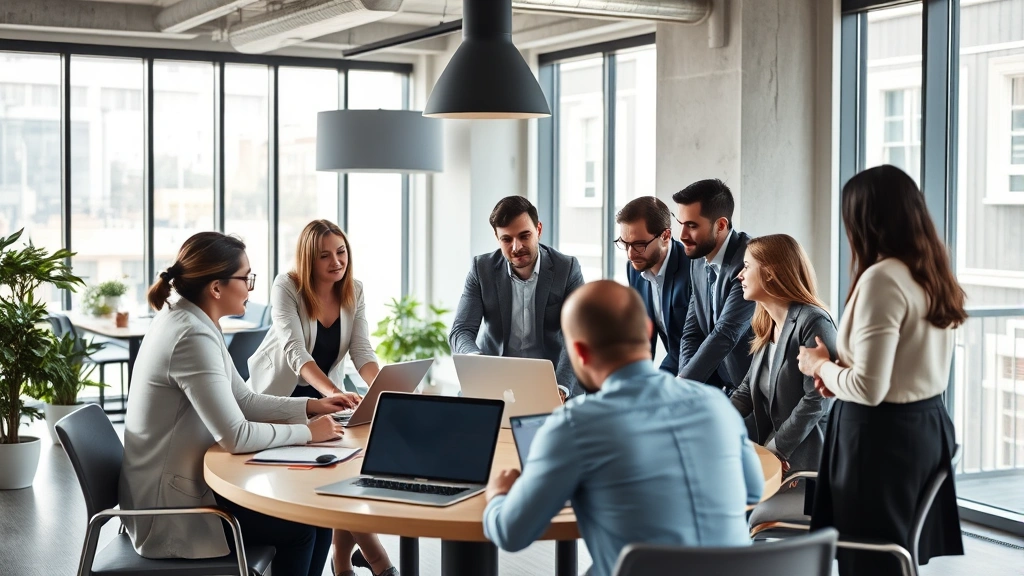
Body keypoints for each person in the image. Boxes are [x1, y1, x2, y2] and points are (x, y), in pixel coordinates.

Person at [482, 280, 763, 576]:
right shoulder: (716, 403)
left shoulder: (575, 425)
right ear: (647, 329)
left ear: (580, 352)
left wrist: (499, 495)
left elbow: (511, 533)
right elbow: (752, 490)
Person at [119, 232, 354, 576]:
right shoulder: (192, 336)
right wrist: (307, 434)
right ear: (216, 287)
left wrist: (312, 407)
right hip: (172, 509)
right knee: (303, 528)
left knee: (314, 521)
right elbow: (236, 436)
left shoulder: (192, 319)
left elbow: (243, 399)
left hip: (179, 486)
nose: (250, 287)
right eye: (246, 278)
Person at [797, 165, 965, 575]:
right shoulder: (932, 274)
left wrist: (819, 364)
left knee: (868, 560)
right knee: (889, 557)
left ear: (865, 219)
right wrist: (840, 375)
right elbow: (902, 368)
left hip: (879, 441)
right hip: (922, 427)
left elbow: (870, 388)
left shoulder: (882, 279)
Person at [247, 219, 397, 576]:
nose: (336, 262)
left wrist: (383, 386)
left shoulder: (354, 290)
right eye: (324, 256)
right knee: (324, 479)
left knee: (344, 469)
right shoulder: (288, 286)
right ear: (308, 260)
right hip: (278, 401)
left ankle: (346, 563)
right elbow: (295, 352)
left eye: (341, 252)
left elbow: (362, 351)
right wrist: (333, 391)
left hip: (327, 404)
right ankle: (377, 560)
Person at [449, 195, 585, 398]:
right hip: (496, 379)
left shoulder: (566, 269)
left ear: (538, 230)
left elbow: (578, 333)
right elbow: (461, 331)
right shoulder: (481, 269)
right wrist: (476, 361)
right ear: (497, 238)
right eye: (507, 239)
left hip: (552, 378)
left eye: (524, 236)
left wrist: (561, 387)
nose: (516, 247)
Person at [729, 234, 837, 473]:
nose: (740, 275)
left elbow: (816, 400)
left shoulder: (814, 321)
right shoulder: (769, 323)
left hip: (807, 462)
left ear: (769, 272)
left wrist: (775, 450)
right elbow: (746, 392)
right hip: (773, 455)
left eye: (747, 266)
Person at [673, 179, 756, 393]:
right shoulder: (698, 260)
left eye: (691, 226)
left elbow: (725, 333)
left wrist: (682, 385)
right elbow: (693, 331)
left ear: (720, 225)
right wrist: (686, 385)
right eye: (680, 224)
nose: (682, 236)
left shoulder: (750, 261)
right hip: (720, 389)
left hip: (756, 394)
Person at [616, 196, 692, 374]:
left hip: (706, 375)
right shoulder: (634, 267)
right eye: (624, 244)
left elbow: (691, 343)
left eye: (639, 245)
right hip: (675, 369)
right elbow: (643, 334)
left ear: (665, 236)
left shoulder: (692, 269)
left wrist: (658, 382)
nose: (630, 254)